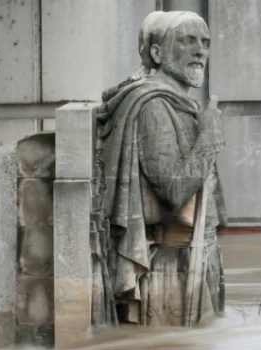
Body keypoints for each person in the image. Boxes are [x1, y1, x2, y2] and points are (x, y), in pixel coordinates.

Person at [91, 10, 227, 327]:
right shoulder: (153, 106)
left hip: (194, 257)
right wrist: (208, 135)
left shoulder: (180, 105)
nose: (200, 51)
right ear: (156, 52)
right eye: (188, 41)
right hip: (171, 268)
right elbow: (174, 189)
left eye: (204, 43)